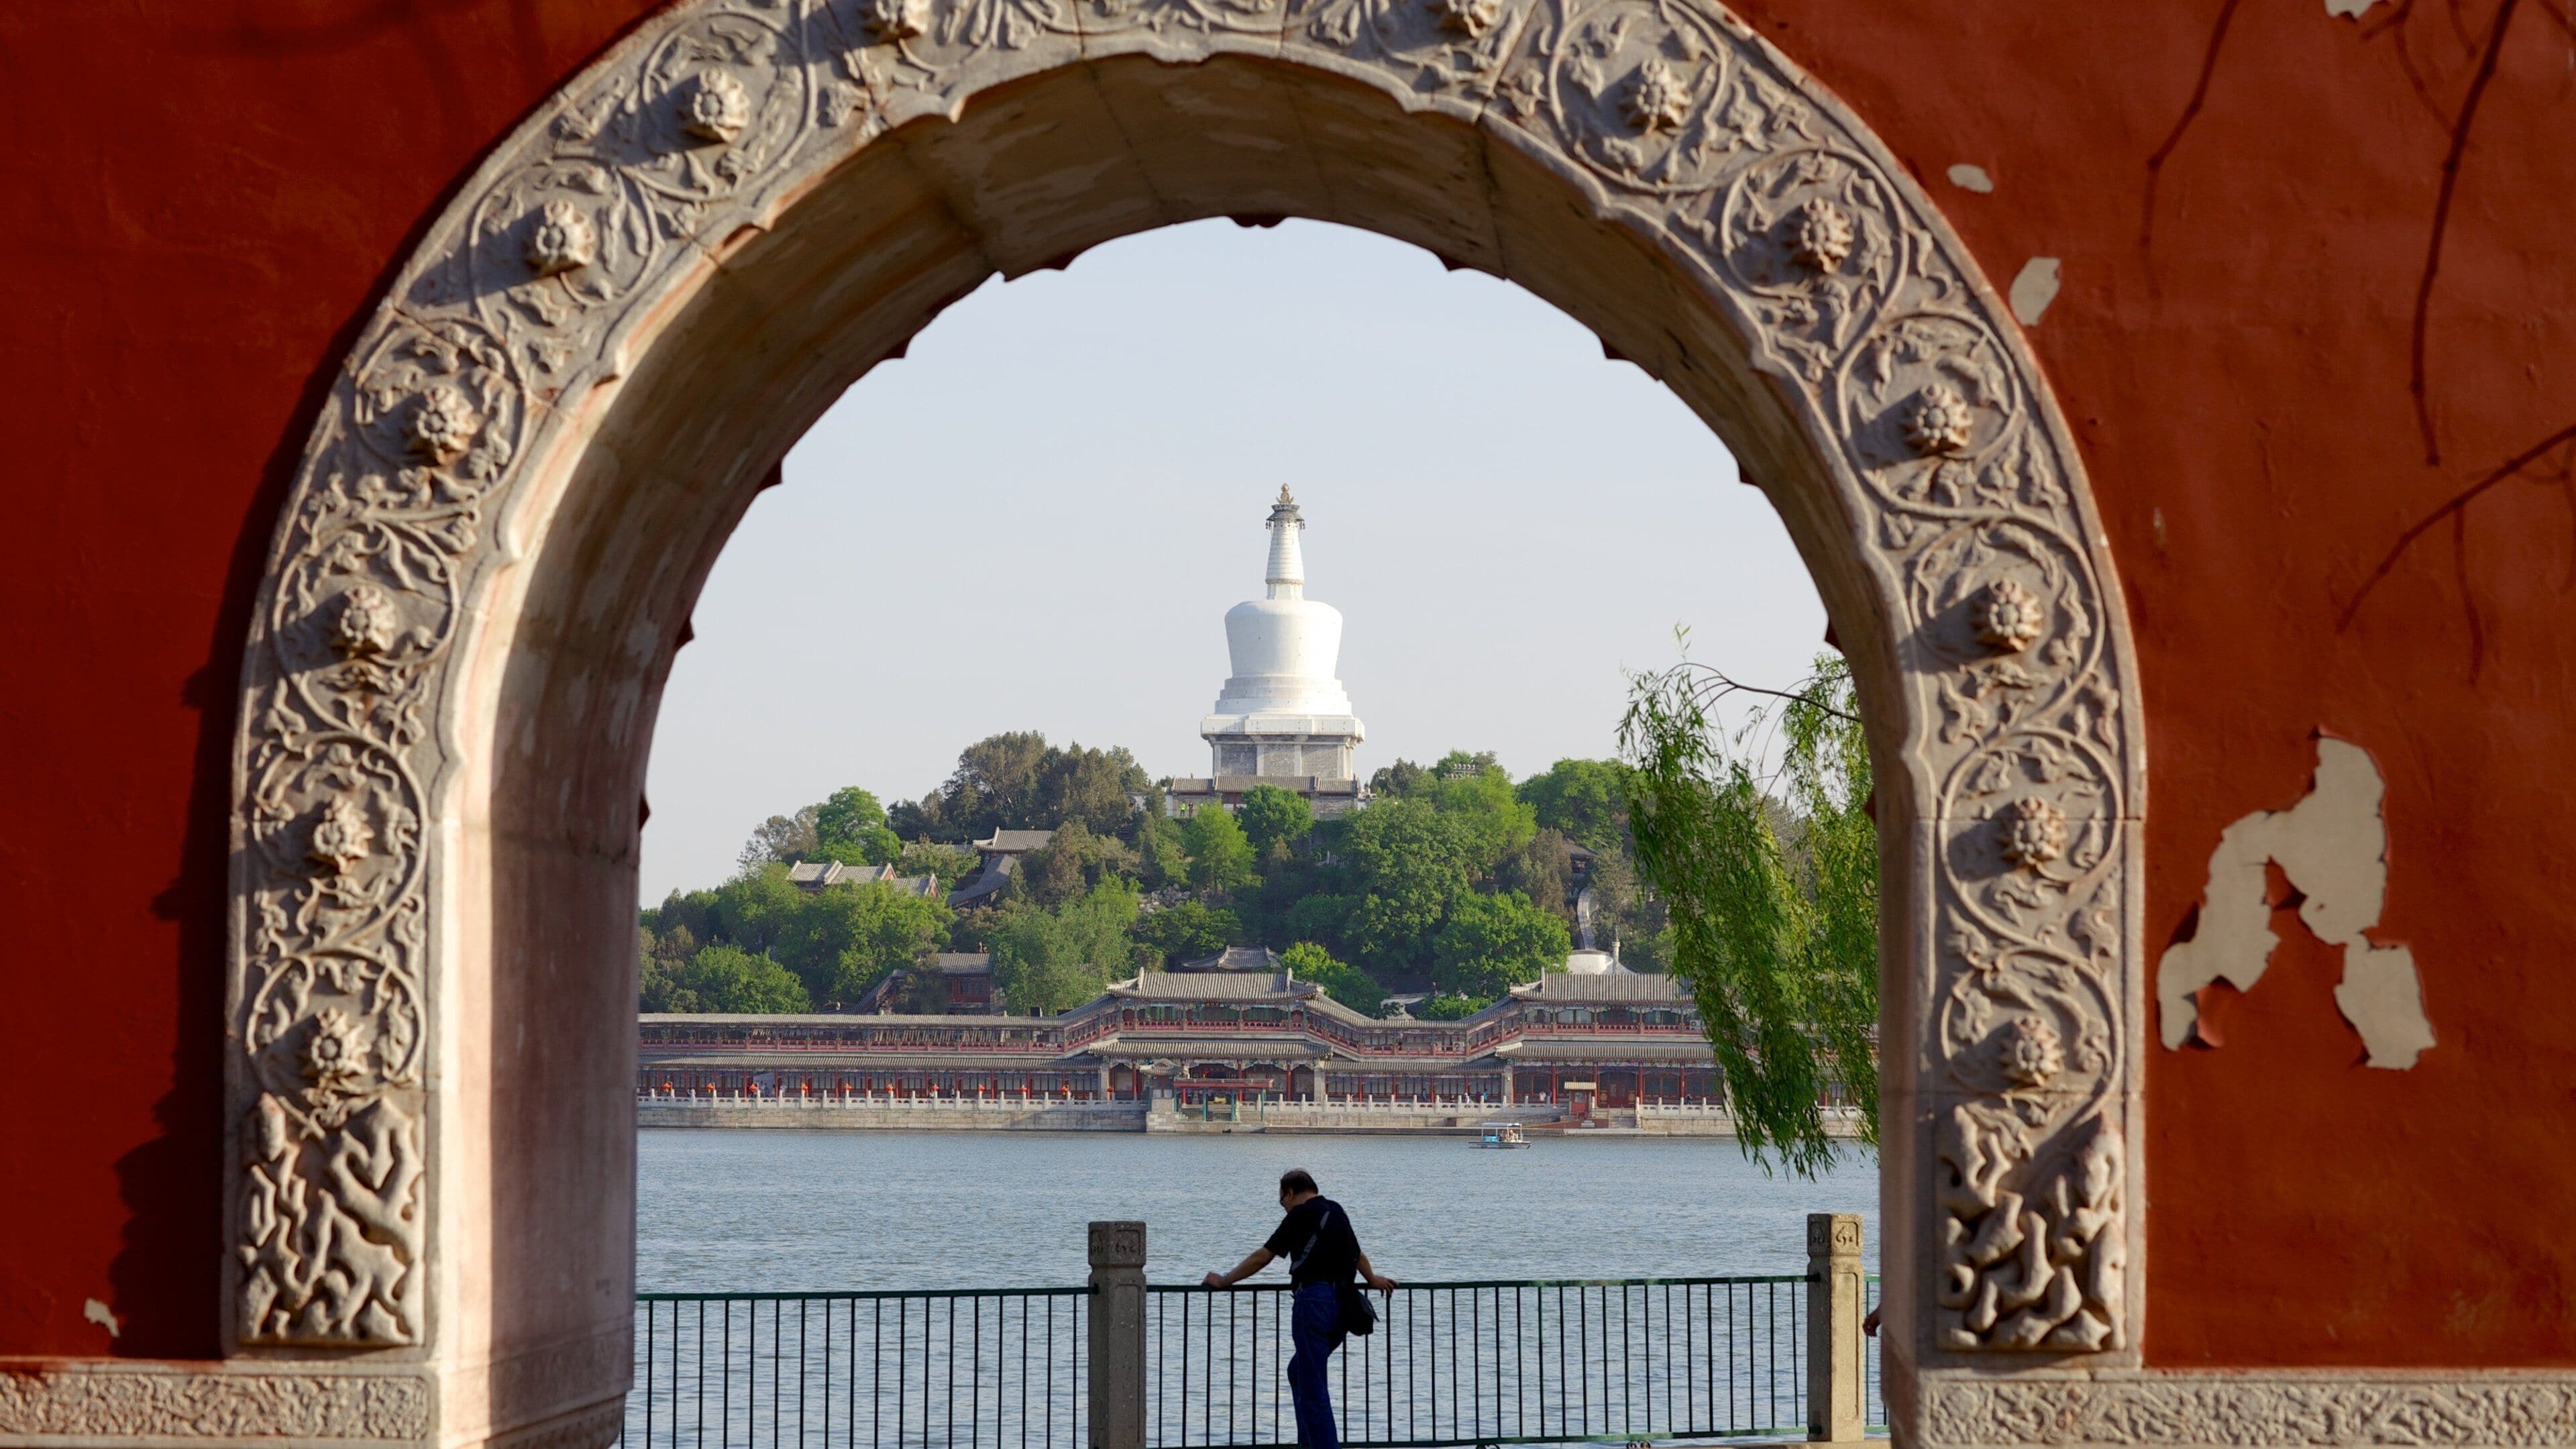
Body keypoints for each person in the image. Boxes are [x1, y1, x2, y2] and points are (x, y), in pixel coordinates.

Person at [1201, 1169, 1395, 1449]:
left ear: (1291, 1193)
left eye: (1283, 1202)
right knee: (1299, 1372)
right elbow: (1357, 1254)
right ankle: (1310, 1443)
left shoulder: (1299, 1215)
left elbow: (1263, 1256)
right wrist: (1372, 1279)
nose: (1284, 1208)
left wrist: (1225, 1279)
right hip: (1342, 1305)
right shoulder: (1336, 1211)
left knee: (1314, 1388)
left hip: (1313, 1303)